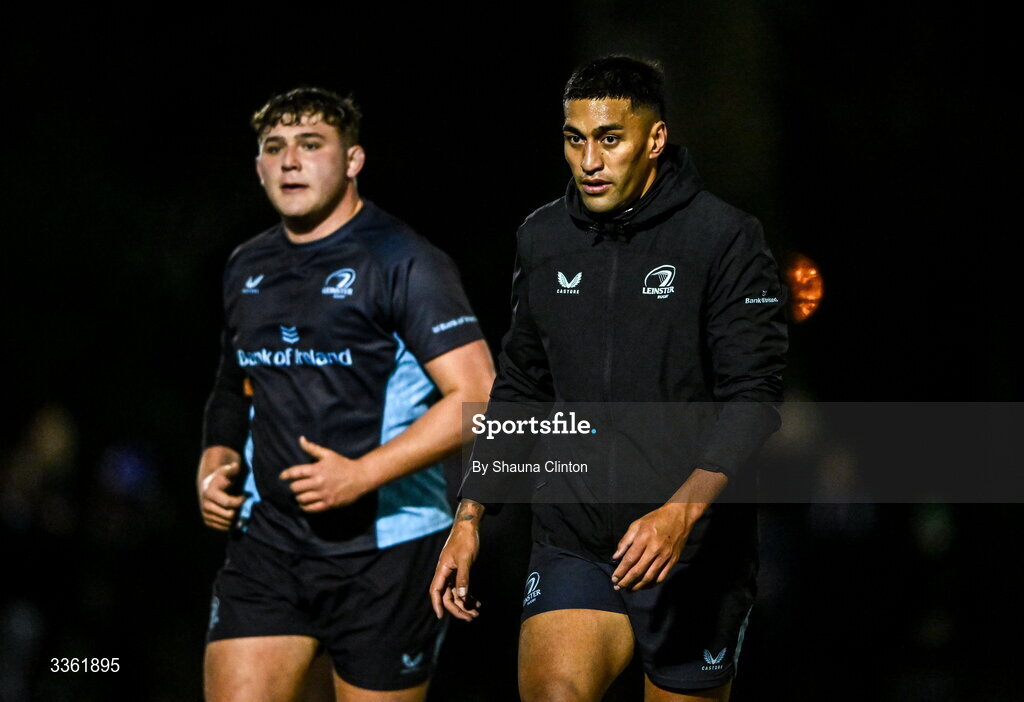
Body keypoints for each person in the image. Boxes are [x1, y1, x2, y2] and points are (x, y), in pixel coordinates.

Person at [430, 57, 787, 701]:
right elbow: (521, 384)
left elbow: (754, 400)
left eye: (609, 138)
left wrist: (680, 514)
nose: (589, 159)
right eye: (575, 139)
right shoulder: (542, 239)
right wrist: (472, 513)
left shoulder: (725, 237)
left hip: (693, 552)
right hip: (575, 536)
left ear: (653, 140)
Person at [198, 86, 495, 702]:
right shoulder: (245, 265)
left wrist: (361, 475)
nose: (289, 161)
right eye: (274, 148)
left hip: (387, 550)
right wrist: (217, 453)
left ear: (353, 160)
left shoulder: (404, 260)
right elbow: (235, 381)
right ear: (258, 167)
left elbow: (479, 395)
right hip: (268, 545)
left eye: (310, 145)